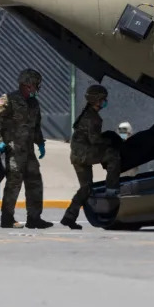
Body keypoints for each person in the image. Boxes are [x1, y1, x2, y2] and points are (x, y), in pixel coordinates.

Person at [0, 68, 53, 229]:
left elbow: (36, 125)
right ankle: (7, 218)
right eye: (36, 84)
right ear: (28, 84)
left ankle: (34, 218)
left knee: (35, 183)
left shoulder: (34, 103)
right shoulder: (8, 99)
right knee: (14, 184)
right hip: (13, 150)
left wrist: (40, 142)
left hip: (29, 150)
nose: (38, 87)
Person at [61, 85, 121, 230]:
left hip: (76, 155)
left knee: (86, 188)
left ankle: (69, 217)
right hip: (85, 153)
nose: (105, 101)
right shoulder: (93, 118)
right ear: (97, 100)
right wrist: (110, 140)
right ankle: (112, 190)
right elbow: (95, 140)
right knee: (113, 156)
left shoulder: (86, 113)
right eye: (103, 99)